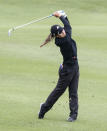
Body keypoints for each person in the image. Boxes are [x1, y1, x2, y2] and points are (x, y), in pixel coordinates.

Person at [38, 11, 79, 122]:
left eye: (62, 30)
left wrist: (64, 16)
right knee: (58, 92)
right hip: (67, 70)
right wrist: (61, 16)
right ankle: (44, 108)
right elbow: (68, 26)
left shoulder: (65, 33)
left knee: (73, 92)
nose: (63, 32)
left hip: (75, 67)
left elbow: (67, 26)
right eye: (60, 32)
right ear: (57, 36)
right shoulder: (62, 41)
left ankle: (73, 115)